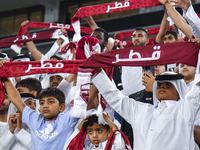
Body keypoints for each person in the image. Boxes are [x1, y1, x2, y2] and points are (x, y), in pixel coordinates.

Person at [92, 67, 200, 150]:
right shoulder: (141, 110)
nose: (162, 86)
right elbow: (115, 97)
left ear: (179, 89)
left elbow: (197, 91)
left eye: (168, 84)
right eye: (160, 84)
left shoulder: (184, 109)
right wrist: (97, 69)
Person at [2, 75, 78, 150]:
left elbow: (87, 106)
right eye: (42, 103)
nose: (45, 106)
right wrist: (4, 76)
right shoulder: (34, 119)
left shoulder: (68, 119)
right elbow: (15, 98)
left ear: (61, 107)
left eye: (50, 102)